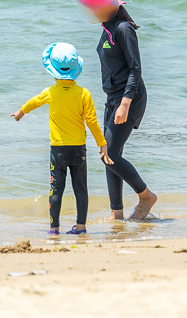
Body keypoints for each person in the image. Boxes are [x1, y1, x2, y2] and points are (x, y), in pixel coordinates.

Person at [69, 0, 158, 221]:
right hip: (113, 98)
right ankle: (116, 214)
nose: (89, 11)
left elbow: (135, 70)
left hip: (129, 98)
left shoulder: (122, 29)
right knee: (110, 153)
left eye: (91, 5)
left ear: (105, 5)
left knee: (109, 154)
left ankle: (146, 196)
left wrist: (125, 104)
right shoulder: (108, 28)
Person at [11, 42, 112, 236]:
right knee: (80, 188)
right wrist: (102, 143)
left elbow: (34, 101)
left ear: (53, 70)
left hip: (58, 149)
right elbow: (92, 122)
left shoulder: (50, 92)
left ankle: (54, 229)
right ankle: (81, 227)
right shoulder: (84, 94)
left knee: (56, 189)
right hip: (78, 149)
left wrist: (20, 112)